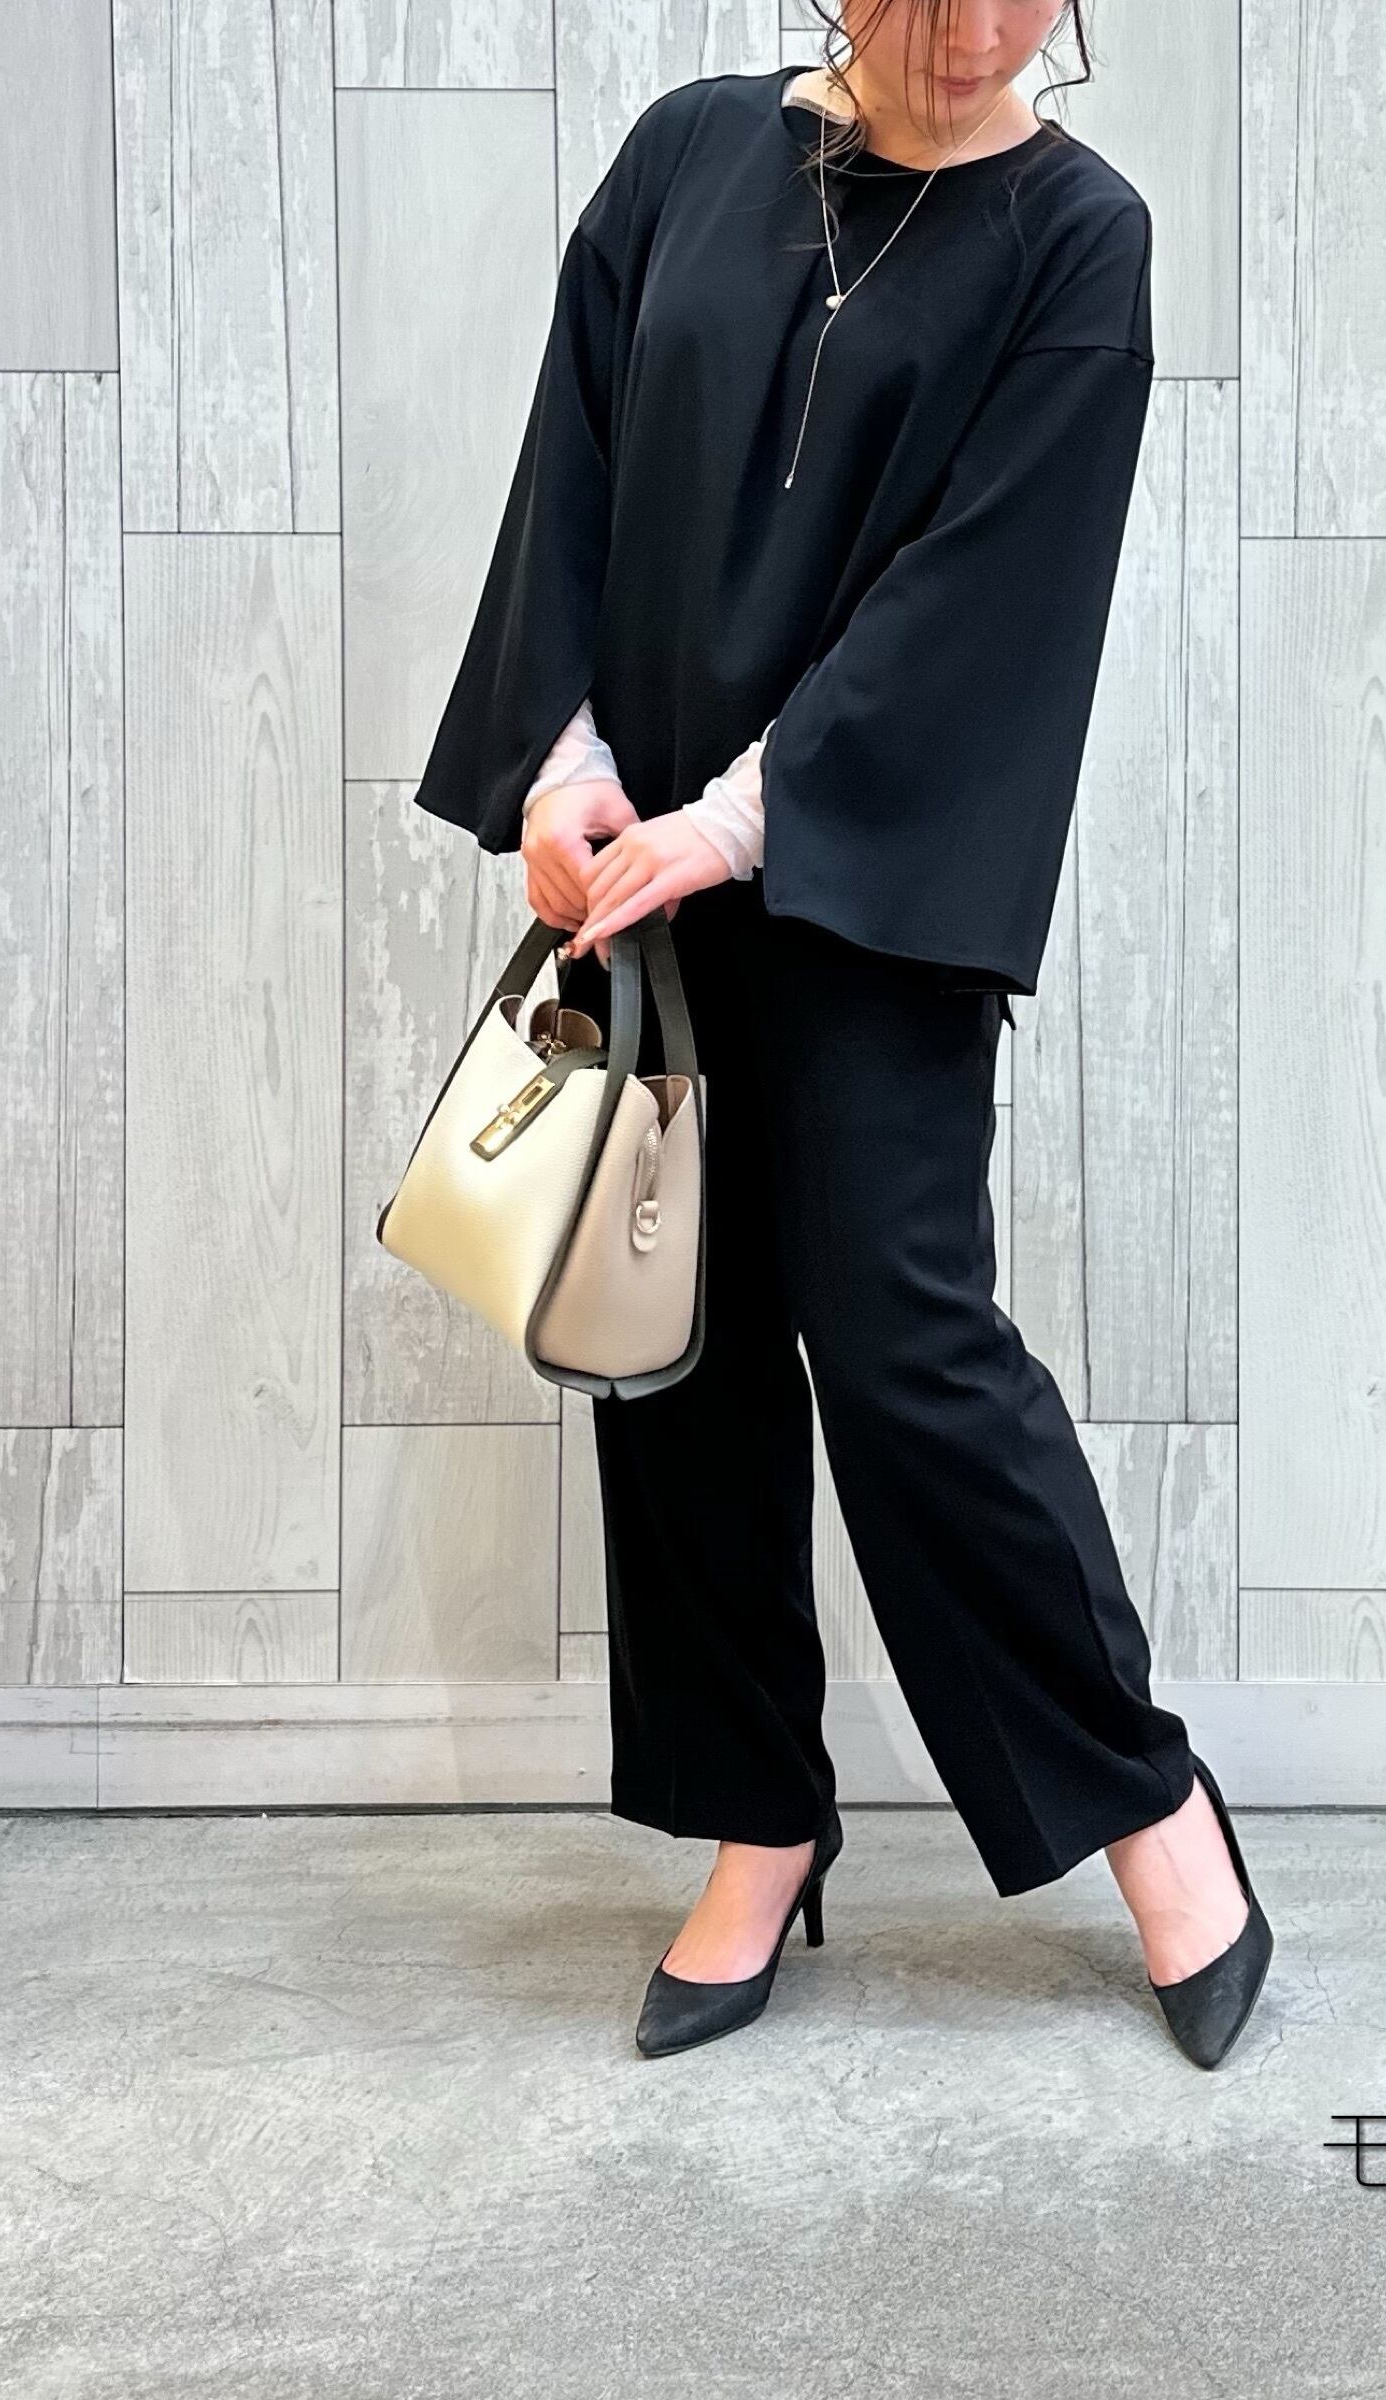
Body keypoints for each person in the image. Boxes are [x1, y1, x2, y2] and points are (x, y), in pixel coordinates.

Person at [410, 0, 1272, 2070]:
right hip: (635, 865)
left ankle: (1146, 1800)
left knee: (904, 1347)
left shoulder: (1077, 240)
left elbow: (994, 595)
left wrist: (740, 821)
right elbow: (574, 470)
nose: (975, 33)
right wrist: (562, 765)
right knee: (675, 1354)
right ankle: (760, 1822)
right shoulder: (686, 158)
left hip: (868, 887)